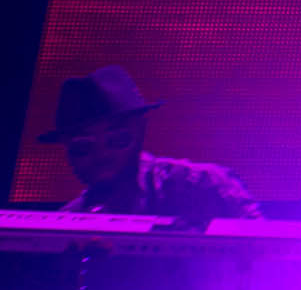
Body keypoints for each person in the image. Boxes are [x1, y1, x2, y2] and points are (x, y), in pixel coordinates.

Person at [38, 66, 258, 220]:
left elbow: (267, 255)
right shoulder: (67, 222)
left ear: (139, 133)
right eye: (83, 146)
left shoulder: (202, 185)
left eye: (116, 140)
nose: (102, 154)